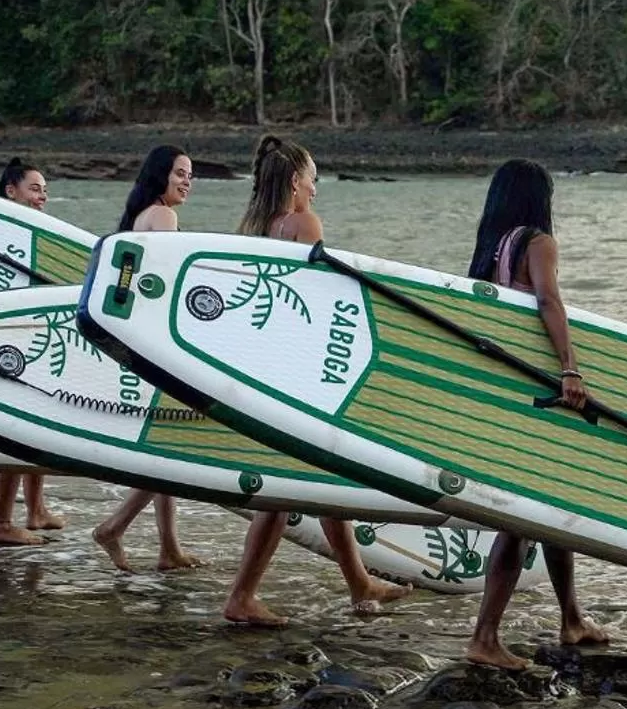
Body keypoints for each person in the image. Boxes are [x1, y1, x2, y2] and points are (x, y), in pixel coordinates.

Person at [220, 135, 411, 626]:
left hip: (261, 367)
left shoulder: (251, 229)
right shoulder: (301, 224)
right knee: (285, 492)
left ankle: (359, 584)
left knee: (322, 480)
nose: (316, 191)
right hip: (296, 371)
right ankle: (242, 597)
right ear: (293, 182)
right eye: (312, 180)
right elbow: (321, 302)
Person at [462, 158, 610, 668]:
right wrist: (571, 368)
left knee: (546, 505)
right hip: (536, 391)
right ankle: (484, 638)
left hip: (504, 392)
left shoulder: (490, 250)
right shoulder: (538, 244)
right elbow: (549, 301)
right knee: (523, 517)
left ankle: (571, 618)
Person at [92, 145, 201, 572]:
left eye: (190, 174)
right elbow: (169, 284)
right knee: (170, 450)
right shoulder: (163, 217)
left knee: (163, 446)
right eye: (179, 173)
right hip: (161, 347)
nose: (187, 181)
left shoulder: (138, 218)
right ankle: (114, 527)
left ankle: (168, 548)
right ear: (160, 176)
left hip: (140, 345)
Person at [0, 158, 66, 547]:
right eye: (35, 188)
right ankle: (1, 522)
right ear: (10, 191)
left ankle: (36, 509)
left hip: (25, 336)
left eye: (45, 190)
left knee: (37, 422)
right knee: (13, 429)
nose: (42, 196)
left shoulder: (32, 233)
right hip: (3, 340)